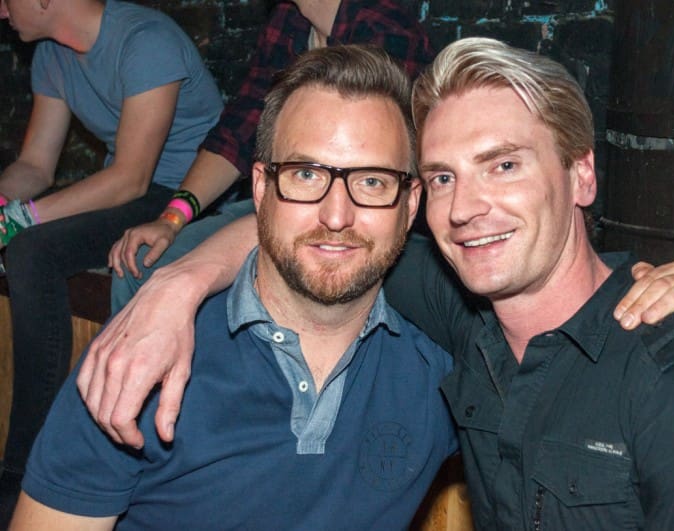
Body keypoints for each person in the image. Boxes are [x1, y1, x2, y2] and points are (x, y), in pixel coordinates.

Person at [79, 37, 674, 527]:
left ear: (581, 174)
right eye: (444, 177)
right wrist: (176, 284)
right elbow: (318, 228)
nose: (466, 208)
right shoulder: (462, 313)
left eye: (504, 165)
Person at [10, 45, 457, 529]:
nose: (336, 216)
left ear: (411, 203)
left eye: (372, 182)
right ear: (261, 188)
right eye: (306, 175)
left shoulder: (443, 366)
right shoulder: (139, 360)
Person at [0, 0, 222, 516]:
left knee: (30, 250)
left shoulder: (144, 41)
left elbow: (131, 179)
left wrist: (16, 222)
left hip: (186, 196)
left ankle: (25, 465)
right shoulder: (51, 55)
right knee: (26, 240)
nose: (2, 13)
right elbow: (35, 167)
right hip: (131, 193)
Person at [107, 0, 434, 313]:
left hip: (364, 214)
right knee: (142, 262)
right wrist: (172, 218)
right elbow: (239, 131)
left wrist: (193, 275)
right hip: (287, 196)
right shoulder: (287, 21)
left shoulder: (388, 29)